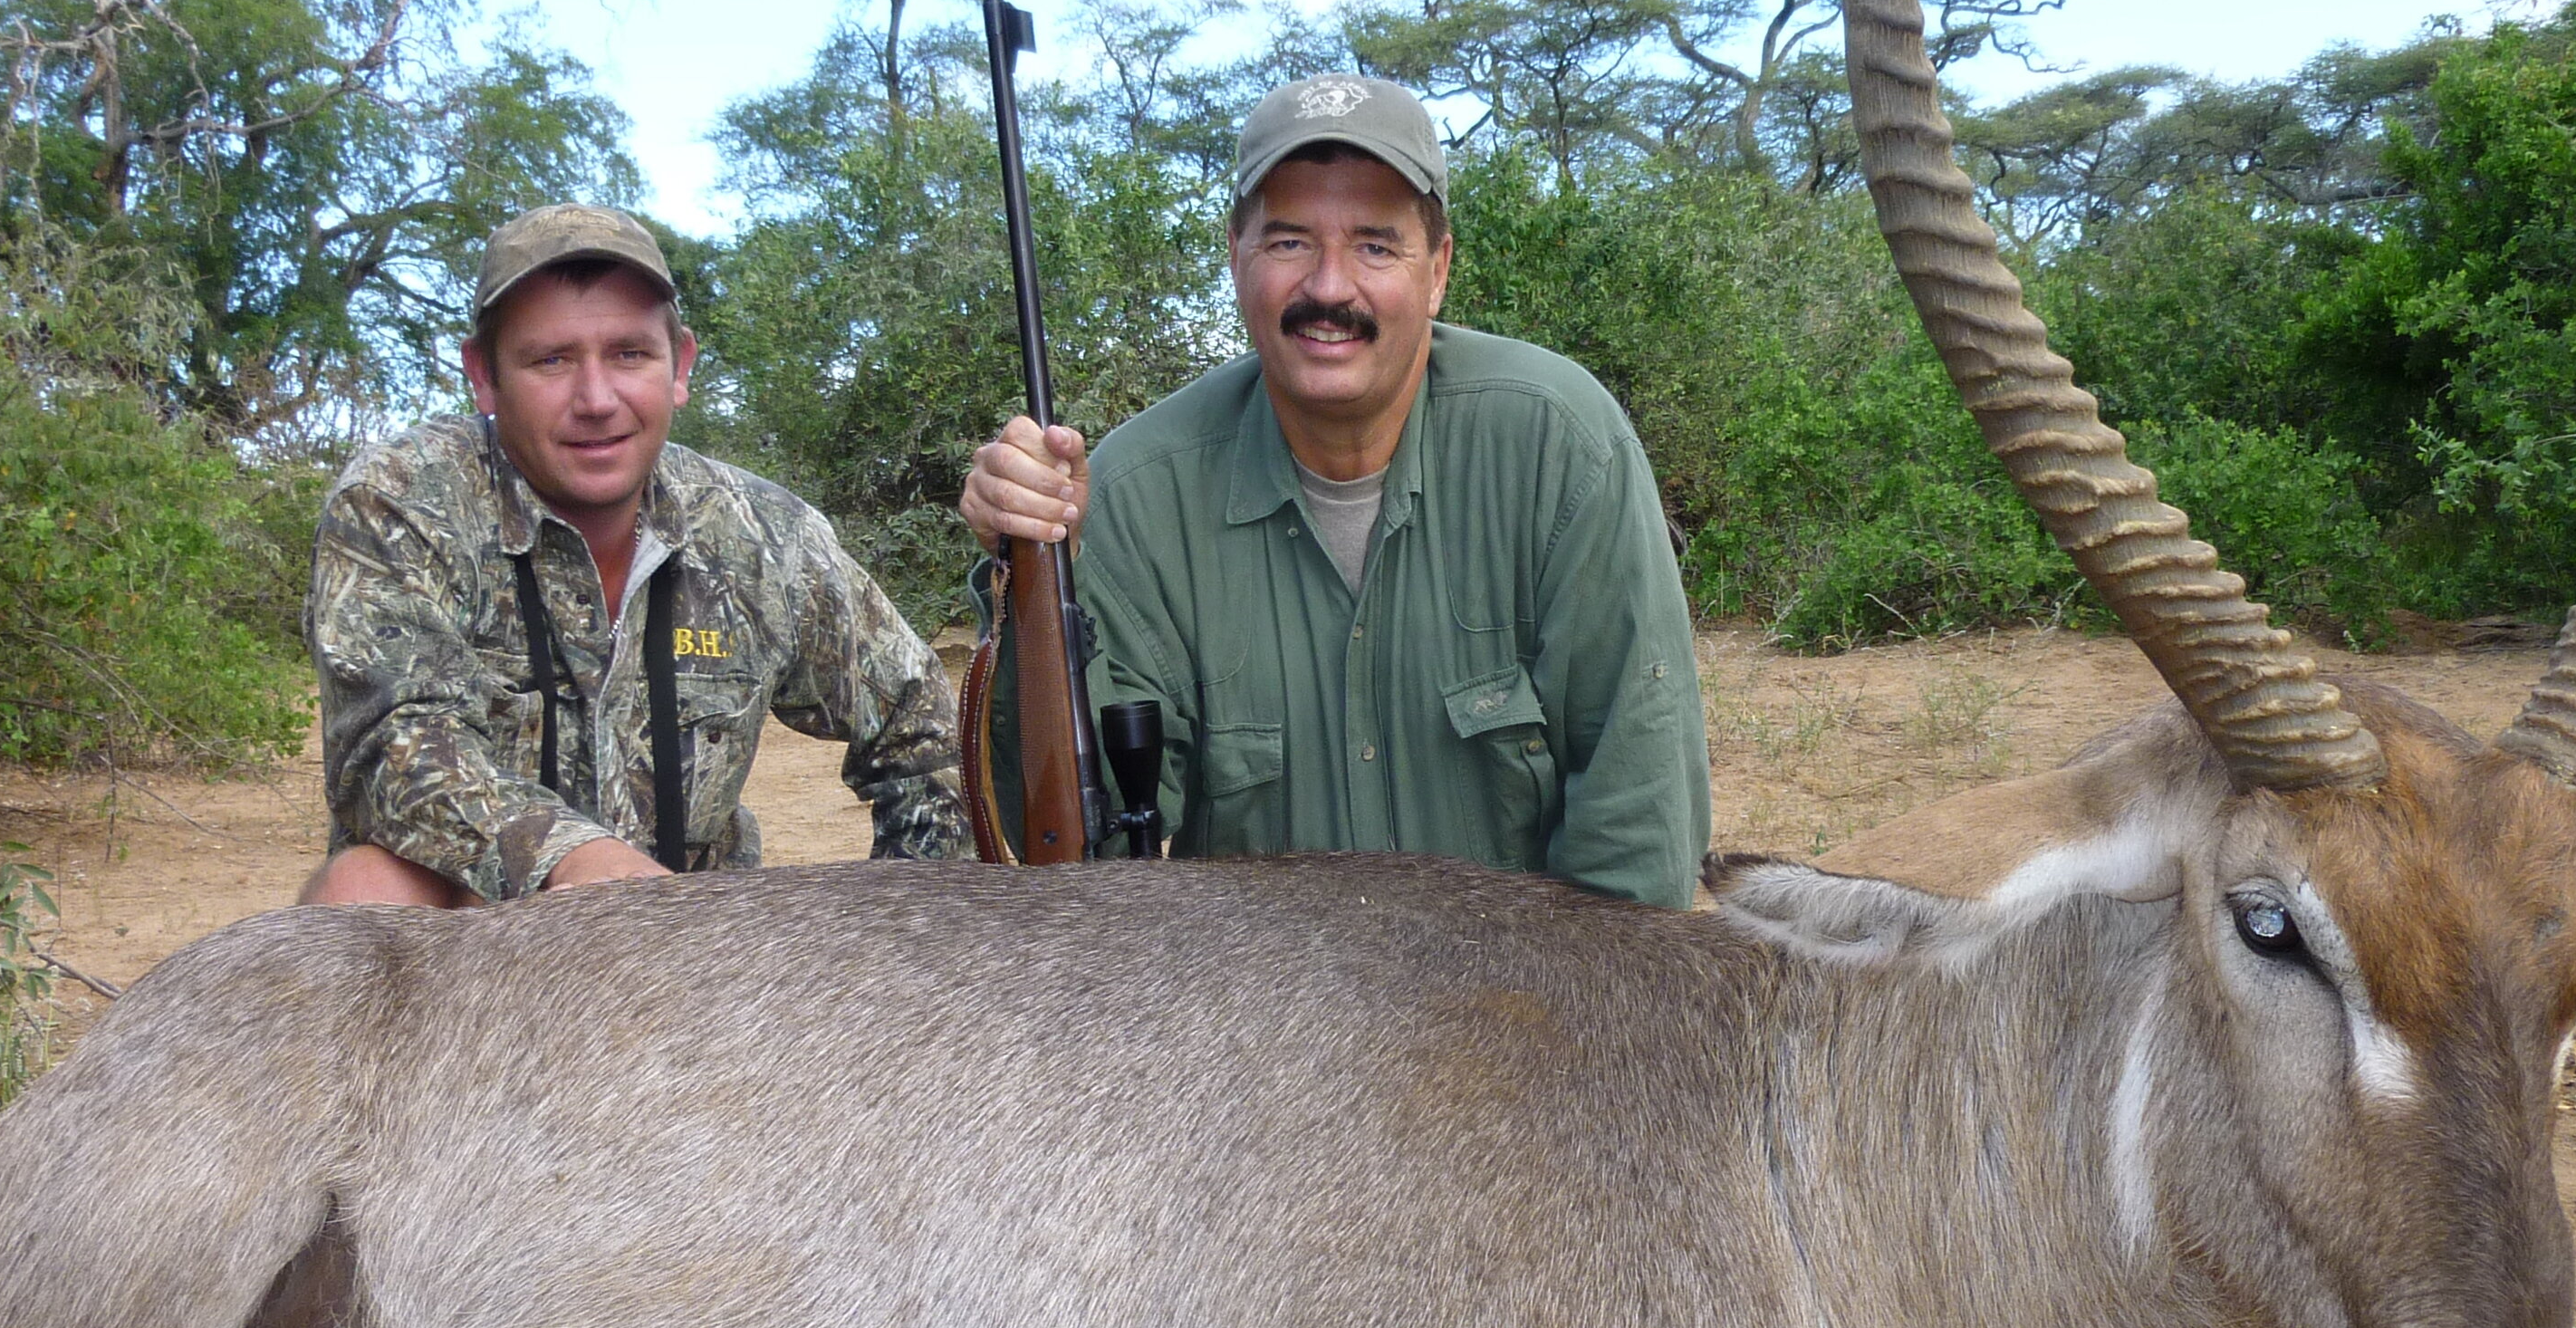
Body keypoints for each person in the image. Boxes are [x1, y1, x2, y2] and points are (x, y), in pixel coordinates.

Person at [960, 75, 1708, 907]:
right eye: (1287, 242)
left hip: (1514, 1017)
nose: (1328, 287)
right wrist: (1025, 573)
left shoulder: (1562, 446)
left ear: (1438, 270)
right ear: (1235, 256)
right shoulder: (1135, 492)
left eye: (1376, 245)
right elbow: (1061, 839)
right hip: (1258, 1019)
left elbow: (1638, 826)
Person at [304, 203, 964, 905]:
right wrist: (568, 858)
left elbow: (921, 729)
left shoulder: (766, 533)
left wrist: (902, 929)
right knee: (365, 888)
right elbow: (393, 744)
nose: (596, 399)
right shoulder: (399, 502)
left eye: (628, 354)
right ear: (484, 376)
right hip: (483, 938)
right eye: (550, 359)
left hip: (686, 948)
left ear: (679, 364)